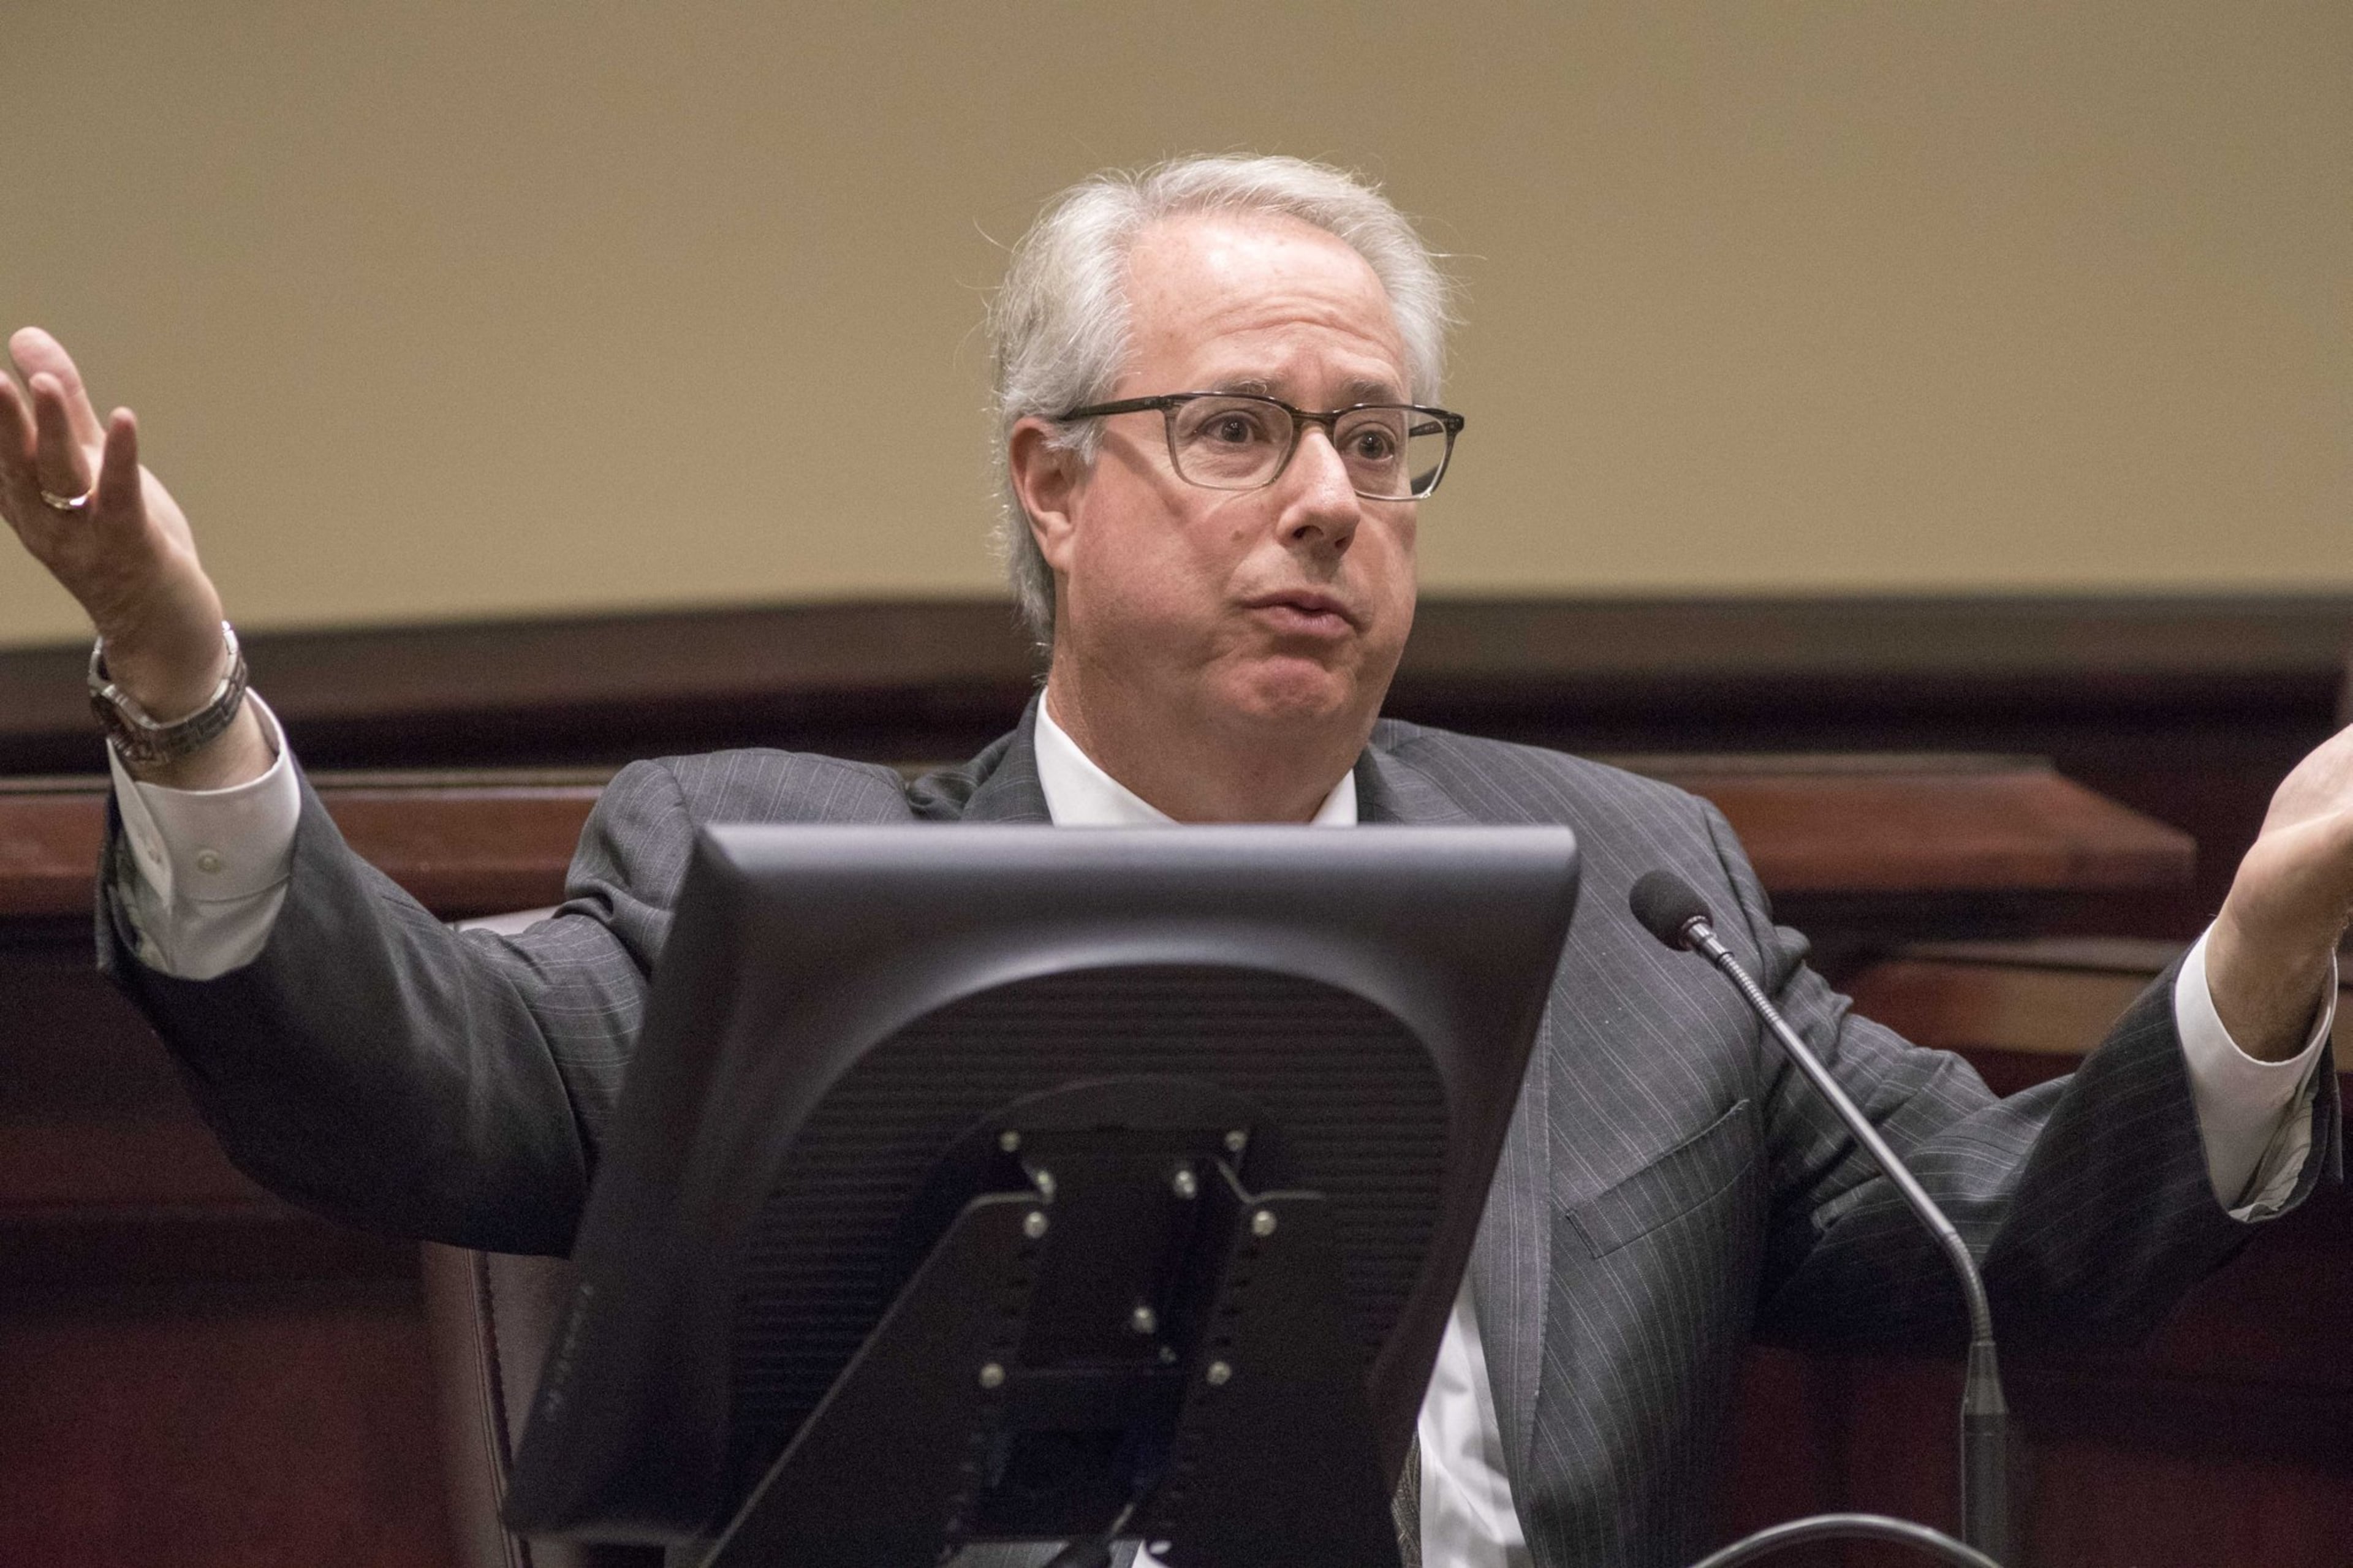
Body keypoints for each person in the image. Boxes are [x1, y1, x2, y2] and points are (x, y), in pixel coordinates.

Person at [2, 155, 2343, 1568]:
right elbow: (411, 1082)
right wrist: (185, 690)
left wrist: (2261, 940)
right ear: (1050, 485)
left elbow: (2004, 1239)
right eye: (1237, 430)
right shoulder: (761, 867)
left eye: (1377, 442)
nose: (1327, 500)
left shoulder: (1640, 899)